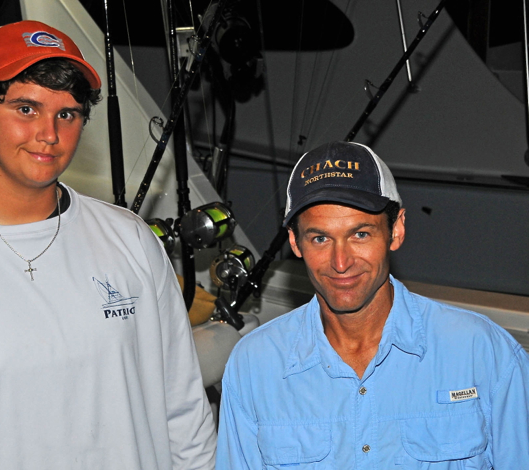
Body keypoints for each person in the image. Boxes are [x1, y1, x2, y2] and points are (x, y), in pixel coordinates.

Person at [0, 20, 216, 469]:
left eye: (67, 113)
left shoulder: (132, 242)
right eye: (26, 109)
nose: (50, 133)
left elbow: (184, 415)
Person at [216, 141, 529, 468]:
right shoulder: (254, 366)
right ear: (295, 242)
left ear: (396, 231)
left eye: (360, 234)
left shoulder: (483, 353)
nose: (340, 262)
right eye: (320, 238)